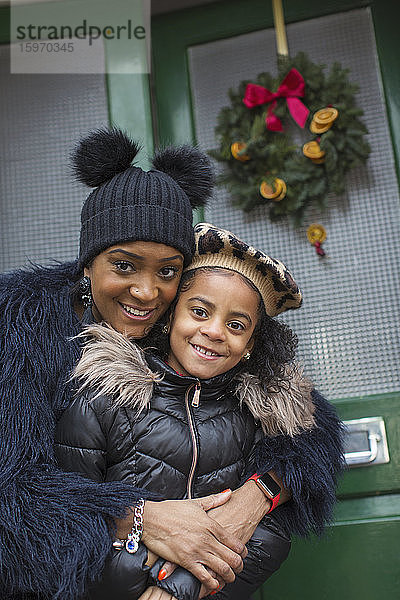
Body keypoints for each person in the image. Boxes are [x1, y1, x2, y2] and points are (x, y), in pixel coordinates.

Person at [0, 129, 258, 600]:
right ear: (88, 263)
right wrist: (141, 516)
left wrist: (254, 498)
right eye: (124, 266)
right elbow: (10, 493)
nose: (146, 292)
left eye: (167, 270)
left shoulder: (184, 328)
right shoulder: (23, 329)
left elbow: (302, 426)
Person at [55, 222, 345, 600]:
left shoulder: (258, 419)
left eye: (236, 324)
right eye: (199, 311)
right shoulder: (104, 396)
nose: (214, 331)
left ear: (251, 346)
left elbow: (267, 537)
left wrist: (176, 590)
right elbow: (69, 514)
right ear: (171, 314)